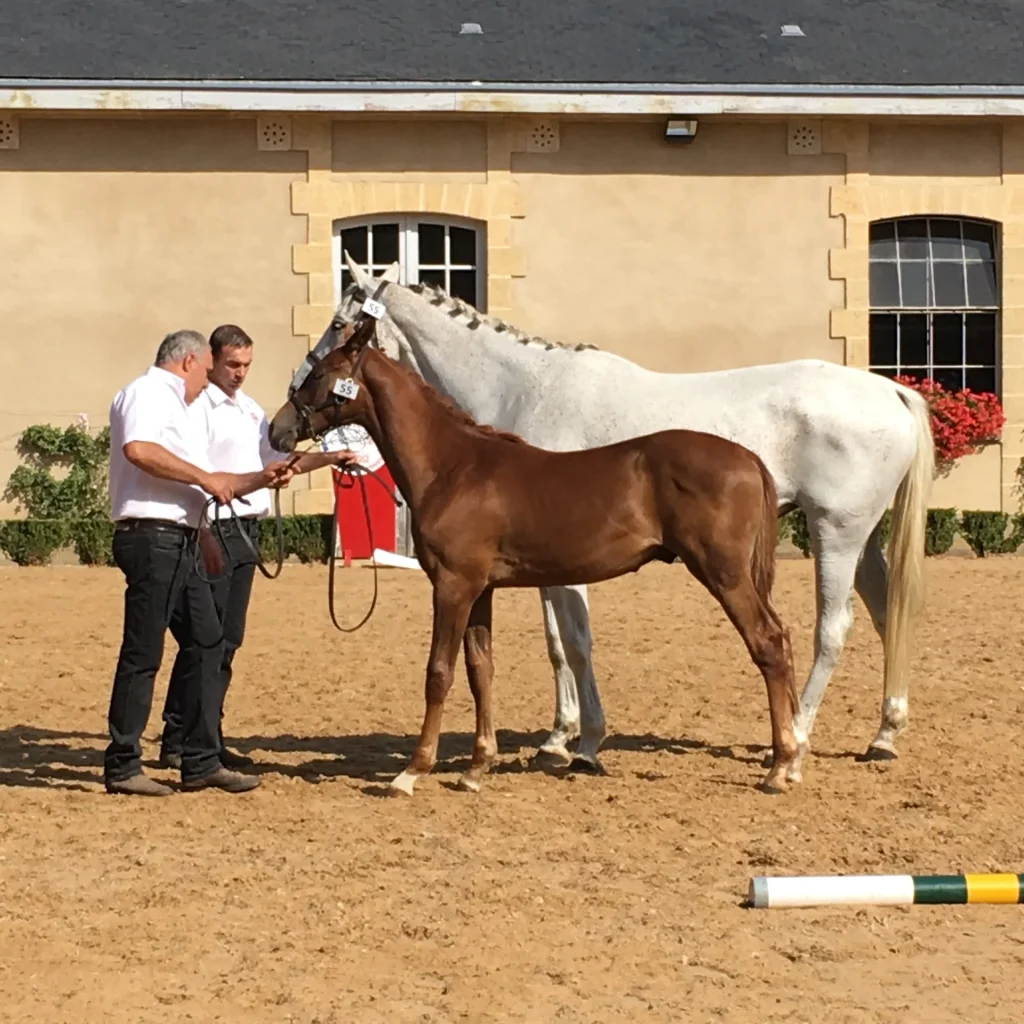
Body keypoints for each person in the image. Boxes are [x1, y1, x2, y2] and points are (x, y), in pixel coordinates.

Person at [159, 324, 355, 771]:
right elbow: (194, 469)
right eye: (232, 365)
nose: (240, 373)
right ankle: (183, 736)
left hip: (248, 533)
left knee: (227, 641)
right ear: (212, 360)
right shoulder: (197, 408)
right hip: (215, 529)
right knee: (204, 641)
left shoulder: (248, 410)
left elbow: (272, 463)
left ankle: (204, 733)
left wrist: (329, 459)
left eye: (246, 365)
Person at [105, 329, 291, 797]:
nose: (209, 380)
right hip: (152, 537)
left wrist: (258, 479)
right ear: (188, 361)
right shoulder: (148, 392)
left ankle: (200, 759)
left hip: (180, 538)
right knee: (143, 651)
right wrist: (204, 480)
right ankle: (123, 763)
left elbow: (208, 480)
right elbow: (140, 451)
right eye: (207, 370)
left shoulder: (179, 407)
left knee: (209, 641)